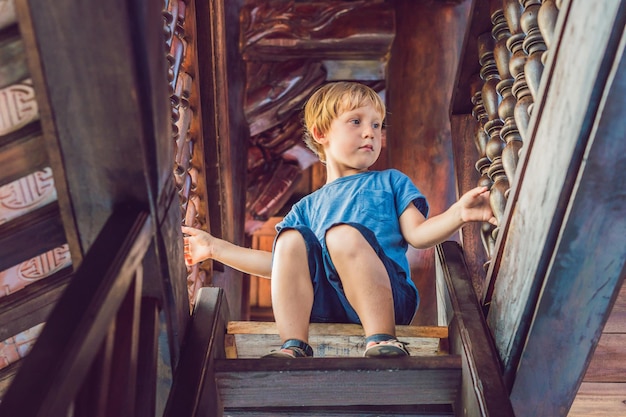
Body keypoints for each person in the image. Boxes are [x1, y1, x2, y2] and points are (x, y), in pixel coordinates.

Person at [182, 81, 496, 359]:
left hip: (386, 298)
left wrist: (459, 214)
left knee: (341, 235)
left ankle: (382, 338)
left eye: (376, 125)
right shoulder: (305, 208)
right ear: (321, 133)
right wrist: (214, 248)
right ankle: (293, 345)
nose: (369, 132)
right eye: (356, 121)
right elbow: (279, 266)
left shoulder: (391, 182)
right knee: (289, 239)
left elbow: (419, 235)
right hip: (324, 308)